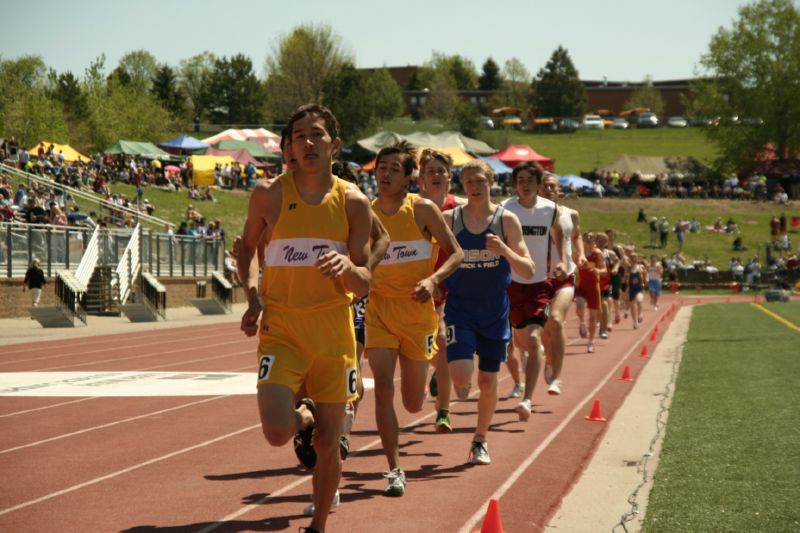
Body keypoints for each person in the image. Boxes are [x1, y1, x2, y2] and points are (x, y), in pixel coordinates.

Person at [237, 104, 373, 533]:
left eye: (316, 135)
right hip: (283, 329)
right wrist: (252, 297)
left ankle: (317, 527)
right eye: (300, 136)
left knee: (330, 443)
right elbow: (245, 251)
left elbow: (365, 280)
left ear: (334, 144)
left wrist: (348, 270)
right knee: (277, 430)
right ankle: (304, 416)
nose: (308, 142)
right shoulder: (269, 194)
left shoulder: (353, 201)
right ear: (291, 147)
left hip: (334, 332)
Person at [366, 141, 463, 496]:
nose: (386, 174)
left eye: (394, 168)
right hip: (379, 311)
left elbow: (457, 254)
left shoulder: (421, 210)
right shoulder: (365, 211)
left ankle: (433, 376)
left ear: (409, 177)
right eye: (381, 168)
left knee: (412, 402)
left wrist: (433, 279)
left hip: (418, 314)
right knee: (382, 388)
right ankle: (393, 468)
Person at [441, 159, 533, 464]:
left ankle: (480, 439)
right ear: (461, 186)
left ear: (491, 182)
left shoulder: (506, 221)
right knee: (462, 376)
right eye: (468, 182)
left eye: (480, 181)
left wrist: (505, 251)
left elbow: (528, 268)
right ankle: (454, 374)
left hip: (494, 313)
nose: (475, 187)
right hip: (460, 309)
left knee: (487, 381)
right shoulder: (450, 219)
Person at [501, 162, 564, 417]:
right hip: (510, 282)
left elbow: (558, 233)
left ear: (539, 184)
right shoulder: (505, 208)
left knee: (535, 340)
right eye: (520, 180)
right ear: (515, 184)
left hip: (539, 283)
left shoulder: (550, 210)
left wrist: (560, 258)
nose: (525, 184)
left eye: (530, 180)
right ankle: (529, 368)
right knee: (518, 342)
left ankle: (527, 399)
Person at [417, 148, 466, 432]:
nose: (435, 175)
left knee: (445, 342)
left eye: (440, 171)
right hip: (419, 285)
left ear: (450, 176)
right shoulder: (414, 207)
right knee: (428, 347)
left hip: (451, 286)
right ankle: (431, 372)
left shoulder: (460, 207)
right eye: (430, 171)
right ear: (421, 177)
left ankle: (443, 412)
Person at [540, 174, 586, 396]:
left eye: (553, 186)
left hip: (565, 276)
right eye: (545, 185)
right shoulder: (527, 214)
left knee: (556, 321)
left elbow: (575, 235)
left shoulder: (571, 214)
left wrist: (581, 253)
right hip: (537, 278)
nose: (549, 189)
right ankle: (549, 359)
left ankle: (557, 378)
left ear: (559, 190)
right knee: (544, 330)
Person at [575, 232, 604, 352]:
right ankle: (582, 322)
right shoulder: (577, 254)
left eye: (591, 239)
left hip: (593, 286)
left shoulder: (598, 254)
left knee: (593, 317)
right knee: (580, 306)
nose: (588, 240)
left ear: (594, 242)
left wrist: (597, 270)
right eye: (586, 238)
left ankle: (591, 341)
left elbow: (604, 270)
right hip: (581, 285)